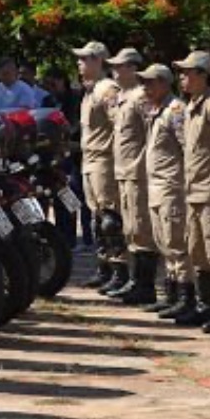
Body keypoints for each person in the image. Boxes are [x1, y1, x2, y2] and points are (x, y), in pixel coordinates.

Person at [174, 50, 210, 328]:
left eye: (187, 72)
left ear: (202, 75)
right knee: (196, 251)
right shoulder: (190, 106)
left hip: (209, 190)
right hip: (192, 189)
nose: (182, 77)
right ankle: (205, 306)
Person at [139, 64, 196, 322]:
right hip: (157, 187)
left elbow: (188, 148)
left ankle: (186, 297)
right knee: (164, 243)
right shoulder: (157, 111)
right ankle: (172, 294)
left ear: (164, 83)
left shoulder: (176, 111)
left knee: (177, 244)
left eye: (150, 83)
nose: (145, 88)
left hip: (172, 187)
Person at [104, 47, 154, 304]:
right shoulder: (122, 97)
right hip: (122, 171)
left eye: (120, 66)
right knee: (130, 229)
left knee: (141, 228)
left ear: (133, 68)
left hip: (137, 172)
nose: (114, 70)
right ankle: (135, 280)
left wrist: (141, 165)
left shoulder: (140, 97)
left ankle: (145, 285)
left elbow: (151, 134)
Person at [73, 41, 122, 288]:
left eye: (84, 59)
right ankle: (103, 268)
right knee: (97, 218)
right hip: (90, 159)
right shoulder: (90, 90)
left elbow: (120, 125)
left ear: (98, 61)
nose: (79, 64)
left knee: (110, 218)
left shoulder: (106, 89)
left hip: (104, 159)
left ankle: (119, 270)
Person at [43, 67, 89, 248]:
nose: (51, 86)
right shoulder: (47, 100)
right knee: (62, 195)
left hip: (76, 152)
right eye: (47, 83)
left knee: (80, 196)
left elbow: (80, 122)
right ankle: (65, 238)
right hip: (57, 155)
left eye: (54, 81)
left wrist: (71, 137)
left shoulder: (76, 97)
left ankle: (87, 237)